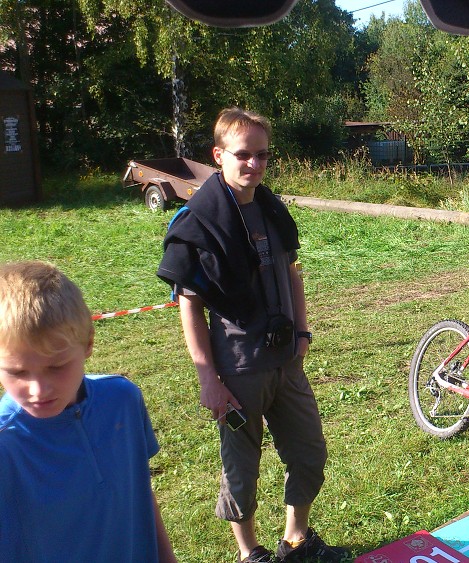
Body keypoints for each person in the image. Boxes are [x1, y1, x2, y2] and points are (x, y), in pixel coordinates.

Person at [156, 108, 345, 563]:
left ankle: (295, 540)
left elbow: (293, 272)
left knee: (309, 453)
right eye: (243, 155)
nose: (254, 164)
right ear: (218, 155)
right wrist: (208, 379)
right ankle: (249, 553)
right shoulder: (197, 222)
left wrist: (302, 333)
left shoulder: (272, 209)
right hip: (239, 370)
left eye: (262, 155)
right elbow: (189, 304)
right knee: (241, 468)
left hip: (286, 360)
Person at [0, 261, 176, 561]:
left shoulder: (123, 400)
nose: (38, 390)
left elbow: (139, 489)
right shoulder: (6, 441)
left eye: (56, 367)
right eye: (17, 372)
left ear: (88, 343)